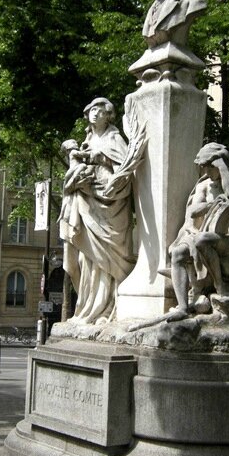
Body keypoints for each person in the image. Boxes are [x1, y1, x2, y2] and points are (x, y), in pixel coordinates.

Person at [59, 97, 134, 325]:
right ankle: (87, 308)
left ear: (108, 115)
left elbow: (125, 174)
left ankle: (107, 307)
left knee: (105, 264)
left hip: (110, 210)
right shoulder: (85, 142)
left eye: (99, 111)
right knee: (84, 260)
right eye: (91, 110)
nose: (94, 114)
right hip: (88, 207)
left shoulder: (115, 139)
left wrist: (99, 158)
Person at [168, 142, 229, 319]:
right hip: (206, 233)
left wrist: (222, 167)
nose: (205, 172)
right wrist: (212, 204)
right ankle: (183, 307)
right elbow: (193, 210)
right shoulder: (203, 186)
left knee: (202, 240)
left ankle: (221, 287)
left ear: (218, 165)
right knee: (177, 253)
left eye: (208, 167)